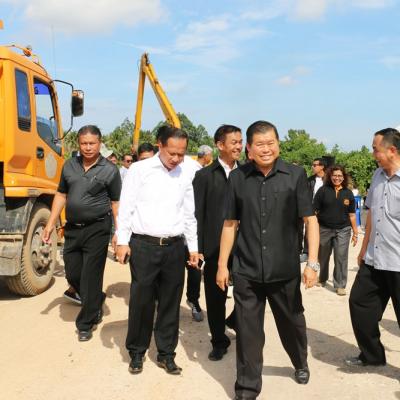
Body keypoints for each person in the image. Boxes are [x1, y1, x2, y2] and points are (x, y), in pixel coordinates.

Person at [217, 120, 320, 400]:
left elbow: (310, 220)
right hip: (246, 269)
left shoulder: (295, 175)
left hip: (284, 269)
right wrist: (222, 265)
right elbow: (230, 224)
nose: (266, 149)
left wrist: (312, 263)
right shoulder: (237, 178)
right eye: (259, 144)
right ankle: (247, 388)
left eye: (271, 143)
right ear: (249, 149)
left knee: (291, 322)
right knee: (248, 332)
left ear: (278, 144)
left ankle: (300, 361)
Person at [116, 125, 199, 375]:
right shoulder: (139, 170)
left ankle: (166, 353)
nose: (176, 158)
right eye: (172, 153)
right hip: (143, 246)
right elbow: (126, 207)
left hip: (174, 247)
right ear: (159, 145)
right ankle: (137, 352)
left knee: (170, 302)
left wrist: (193, 247)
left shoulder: (186, 172)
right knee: (141, 301)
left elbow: (189, 214)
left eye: (181, 153)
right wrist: (122, 241)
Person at [42, 125, 121, 341]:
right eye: (84, 143)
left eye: (92, 143)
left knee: (90, 277)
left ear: (99, 143)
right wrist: (50, 224)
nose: (87, 147)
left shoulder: (110, 170)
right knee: (72, 273)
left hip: (98, 229)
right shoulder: (69, 165)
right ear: (79, 143)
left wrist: (119, 232)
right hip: (73, 229)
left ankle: (86, 322)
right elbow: (61, 195)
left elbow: (116, 203)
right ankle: (95, 299)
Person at [346, 128, 400, 367]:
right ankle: (372, 355)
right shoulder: (377, 175)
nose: (372, 154)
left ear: (392, 150)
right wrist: (363, 249)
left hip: (398, 261)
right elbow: (371, 216)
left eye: (375, 149)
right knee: (359, 303)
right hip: (374, 259)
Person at [193, 124, 243, 361]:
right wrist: (198, 249)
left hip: (245, 247)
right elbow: (197, 214)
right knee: (215, 298)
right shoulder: (204, 176)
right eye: (234, 142)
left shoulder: (248, 174)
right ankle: (219, 340)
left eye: (240, 142)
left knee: (249, 294)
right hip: (214, 248)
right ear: (220, 145)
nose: (239, 146)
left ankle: (235, 321)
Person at [313, 165, 358, 295]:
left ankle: (340, 285)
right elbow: (314, 211)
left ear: (343, 177)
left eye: (339, 176)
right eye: (334, 175)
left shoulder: (348, 193)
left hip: (343, 229)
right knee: (323, 256)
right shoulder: (322, 191)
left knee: (341, 257)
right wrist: (313, 229)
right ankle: (322, 278)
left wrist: (355, 232)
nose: (337, 178)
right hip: (324, 229)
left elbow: (352, 215)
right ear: (330, 176)